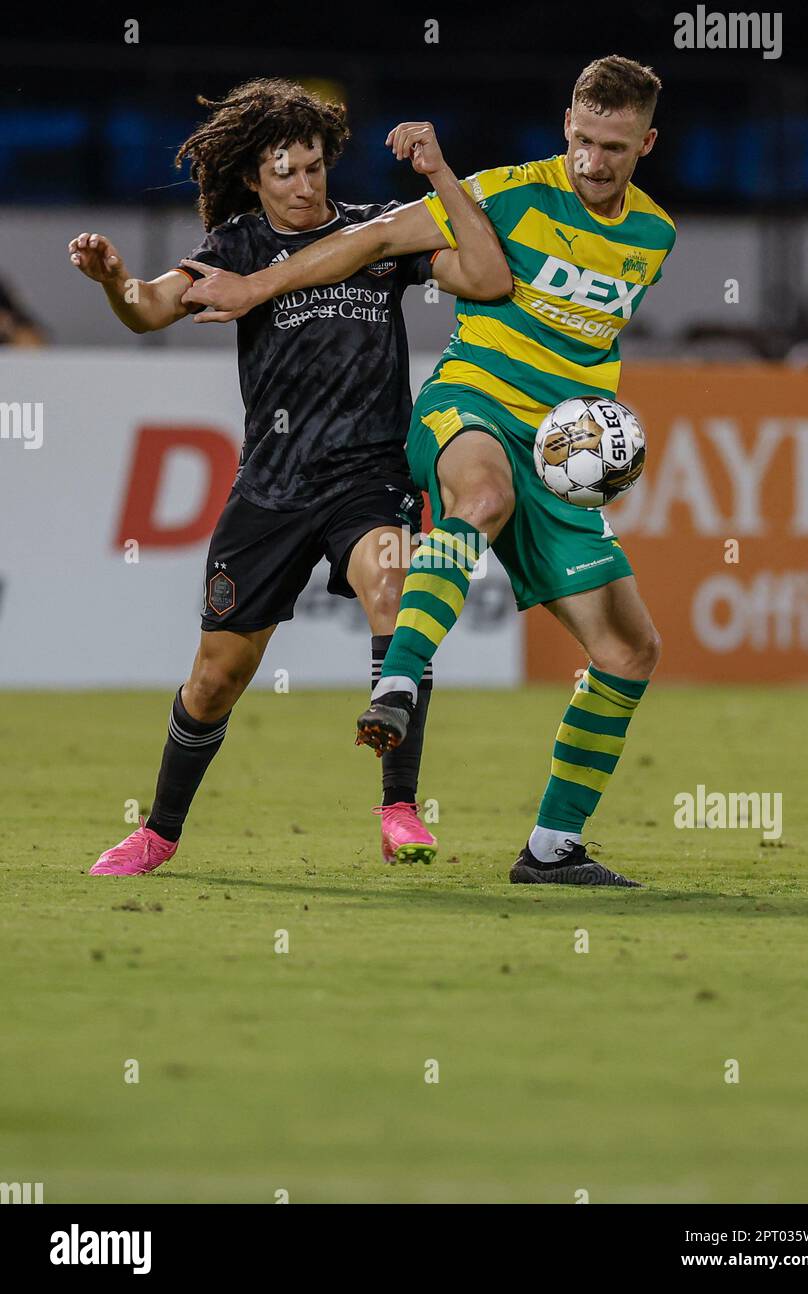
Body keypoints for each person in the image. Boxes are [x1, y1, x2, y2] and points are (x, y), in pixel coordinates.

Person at [180, 56, 676, 889]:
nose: (594, 161)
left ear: (646, 145)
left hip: (558, 459)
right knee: (480, 494)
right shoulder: (506, 191)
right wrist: (258, 284)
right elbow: (369, 238)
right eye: (584, 141)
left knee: (630, 650)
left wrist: (600, 438)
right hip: (470, 406)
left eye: (615, 148)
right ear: (566, 126)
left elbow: (591, 346)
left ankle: (552, 850)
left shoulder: (653, 236)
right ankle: (400, 681)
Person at [69, 78, 511, 876]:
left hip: (367, 472)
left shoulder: (378, 233)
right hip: (272, 486)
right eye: (287, 172)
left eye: (314, 167)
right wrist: (111, 279)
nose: (306, 186)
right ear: (253, 178)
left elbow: (488, 277)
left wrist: (442, 178)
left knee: (392, 582)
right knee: (216, 678)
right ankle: (159, 832)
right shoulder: (235, 247)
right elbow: (146, 307)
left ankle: (399, 808)